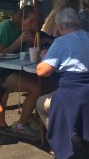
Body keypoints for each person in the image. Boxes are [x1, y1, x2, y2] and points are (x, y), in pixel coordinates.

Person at [36, 8, 89, 159]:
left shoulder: (60, 42)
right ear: (77, 23)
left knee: (41, 104)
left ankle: (64, 140)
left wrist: (43, 57)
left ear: (59, 27)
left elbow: (42, 71)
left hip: (70, 95)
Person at [0, 5, 41, 140]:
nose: (33, 25)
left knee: (41, 82)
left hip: (14, 69)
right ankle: (21, 125)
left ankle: (31, 117)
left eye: (35, 22)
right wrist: (20, 41)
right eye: (30, 21)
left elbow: (22, 54)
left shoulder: (23, 31)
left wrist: (30, 43)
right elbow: (0, 52)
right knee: (35, 88)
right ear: (21, 18)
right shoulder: (6, 27)